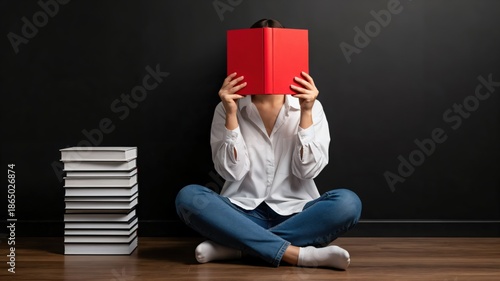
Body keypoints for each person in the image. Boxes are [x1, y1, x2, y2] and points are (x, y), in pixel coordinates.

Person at [175, 19, 361, 270]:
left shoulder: (311, 106)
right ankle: (300, 254)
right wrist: (231, 114)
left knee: (348, 203)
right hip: (241, 214)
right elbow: (232, 172)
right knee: (188, 197)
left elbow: (307, 172)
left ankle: (238, 248)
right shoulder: (226, 108)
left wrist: (305, 113)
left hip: (298, 214)